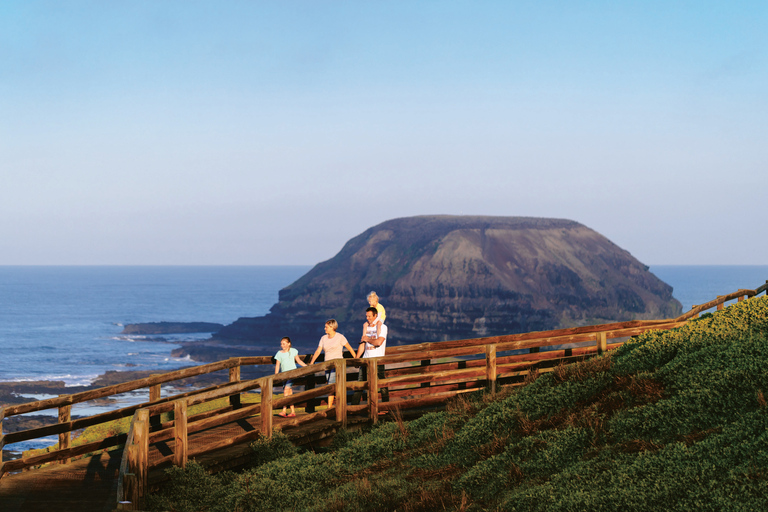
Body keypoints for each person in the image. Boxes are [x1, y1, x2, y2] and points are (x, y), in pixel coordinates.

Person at [309, 319, 356, 409]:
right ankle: (338, 405)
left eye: (326, 327)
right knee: (332, 385)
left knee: (330, 384)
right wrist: (311, 362)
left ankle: (329, 407)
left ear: (332, 327)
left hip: (337, 365)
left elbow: (349, 348)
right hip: (327, 365)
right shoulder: (323, 338)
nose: (324, 328)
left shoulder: (340, 337)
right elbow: (318, 351)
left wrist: (356, 360)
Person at [352, 306, 389, 406]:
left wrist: (367, 339)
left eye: (369, 316)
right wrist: (357, 358)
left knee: (382, 384)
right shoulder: (366, 327)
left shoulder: (383, 327)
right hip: (365, 360)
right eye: (366, 316)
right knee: (360, 384)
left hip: (378, 361)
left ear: (375, 315)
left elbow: (378, 342)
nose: (367, 318)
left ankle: (385, 406)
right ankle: (353, 409)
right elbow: (362, 344)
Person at [274, 336, 307, 418]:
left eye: (284, 344)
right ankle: (292, 411)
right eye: (281, 344)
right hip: (283, 376)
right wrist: (276, 375)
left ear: (289, 344)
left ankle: (284, 410)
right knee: (289, 393)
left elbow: (299, 361)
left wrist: (307, 367)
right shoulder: (279, 353)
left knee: (286, 390)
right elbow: (277, 365)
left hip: (292, 374)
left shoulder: (294, 351)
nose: (282, 345)